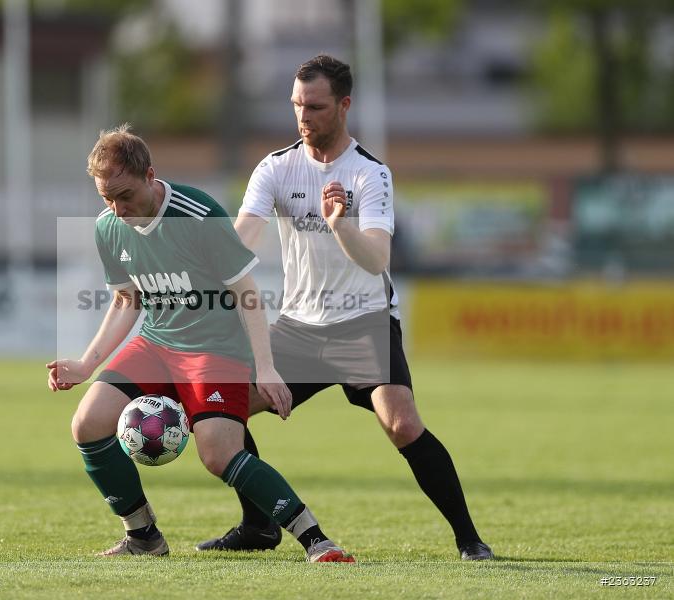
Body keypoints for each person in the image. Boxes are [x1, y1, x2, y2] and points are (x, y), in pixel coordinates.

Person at [196, 55, 494, 561]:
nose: (303, 117)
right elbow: (243, 239)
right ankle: (259, 525)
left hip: (364, 323)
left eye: (315, 106)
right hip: (300, 327)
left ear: (344, 105)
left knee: (400, 422)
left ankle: (470, 540)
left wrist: (340, 223)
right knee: (226, 411)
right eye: (296, 106)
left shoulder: (369, 173)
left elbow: (377, 256)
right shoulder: (275, 167)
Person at [47, 124, 355, 563]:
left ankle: (316, 540)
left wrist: (264, 368)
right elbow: (126, 297)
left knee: (218, 454)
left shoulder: (196, 214)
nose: (117, 208)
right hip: (155, 343)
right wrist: (86, 363)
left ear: (150, 176)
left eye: (125, 195)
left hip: (214, 349)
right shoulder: (109, 227)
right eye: (106, 199)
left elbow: (247, 293)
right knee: (88, 424)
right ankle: (143, 537)